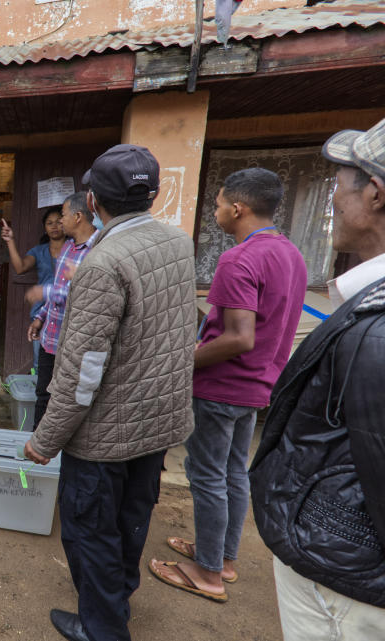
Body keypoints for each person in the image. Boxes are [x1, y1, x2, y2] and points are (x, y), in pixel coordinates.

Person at [23, 145, 196, 641]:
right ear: (153, 193)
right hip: (157, 424)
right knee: (130, 521)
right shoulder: (178, 243)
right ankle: (115, 602)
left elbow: (82, 372)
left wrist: (45, 438)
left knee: (91, 531)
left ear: (93, 200)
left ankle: (102, 629)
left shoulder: (103, 262)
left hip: (105, 436)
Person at [249, 119, 385, 639]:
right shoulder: (355, 298)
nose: (331, 194)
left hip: (345, 585)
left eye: (341, 180)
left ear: (374, 192)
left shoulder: (376, 330)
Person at [150, 168, 307, 602]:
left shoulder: (238, 259)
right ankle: (223, 557)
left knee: (207, 476)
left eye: (218, 204)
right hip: (257, 386)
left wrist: (177, 360)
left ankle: (207, 573)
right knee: (234, 472)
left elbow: (239, 337)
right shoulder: (290, 255)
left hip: (221, 388)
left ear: (237, 208)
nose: (216, 211)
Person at [25, 192, 99, 430]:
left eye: (63, 216)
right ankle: (37, 444)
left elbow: (86, 294)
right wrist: (40, 318)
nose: (60, 221)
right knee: (43, 394)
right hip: (50, 338)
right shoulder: (68, 247)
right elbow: (60, 289)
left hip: (74, 343)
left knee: (68, 400)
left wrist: (43, 293)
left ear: (78, 217)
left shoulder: (98, 251)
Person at [3, 206, 67, 371]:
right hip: (42, 313)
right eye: (49, 223)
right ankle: (41, 395)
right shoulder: (39, 252)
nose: (54, 226)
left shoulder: (75, 249)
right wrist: (10, 241)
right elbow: (20, 267)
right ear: (45, 228)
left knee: (65, 364)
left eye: (58, 222)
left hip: (67, 311)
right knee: (41, 364)